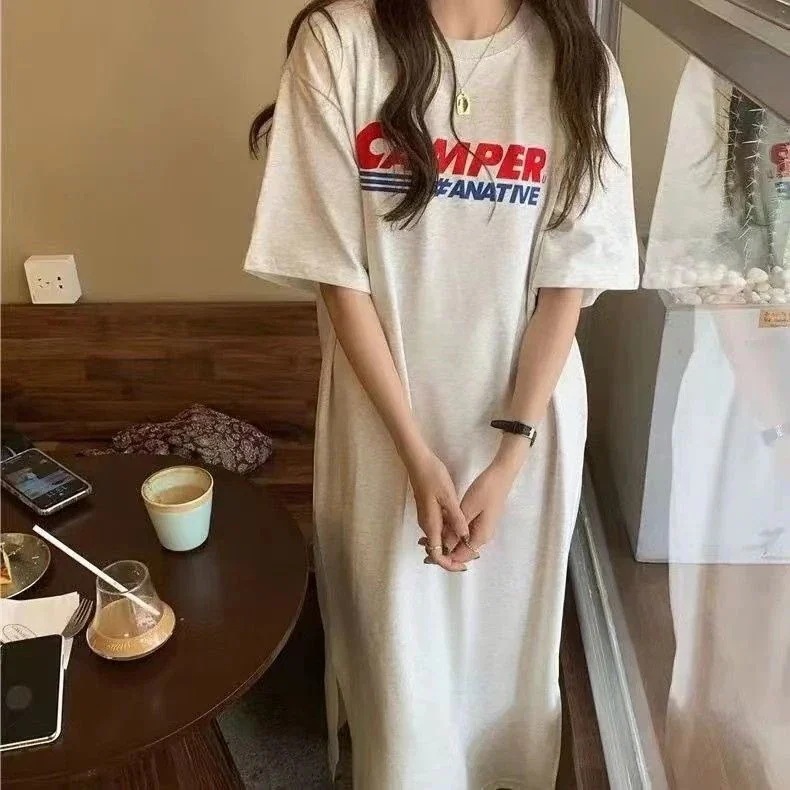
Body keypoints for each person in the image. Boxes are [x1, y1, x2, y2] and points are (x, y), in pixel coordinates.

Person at [244, 1, 638, 787]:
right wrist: (415, 455)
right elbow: (339, 277)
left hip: (525, 426)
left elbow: (566, 284)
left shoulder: (580, 63)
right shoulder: (340, 44)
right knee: (397, 665)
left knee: (506, 661)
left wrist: (509, 456)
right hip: (381, 422)